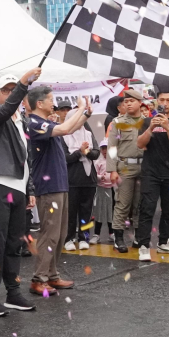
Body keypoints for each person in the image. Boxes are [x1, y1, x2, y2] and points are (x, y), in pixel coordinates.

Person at [0, 70, 42, 318]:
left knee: (14, 244)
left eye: (15, 90)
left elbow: (27, 158)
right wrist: (23, 83)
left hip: (18, 188)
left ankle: (13, 293)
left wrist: (29, 188)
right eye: (7, 90)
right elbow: (5, 109)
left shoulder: (22, 121)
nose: (12, 94)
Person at [26, 86, 91, 287]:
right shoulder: (34, 123)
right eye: (50, 99)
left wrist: (86, 114)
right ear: (39, 103)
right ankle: (39, 279)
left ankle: (52, 275)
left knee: (60, 234)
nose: (53, 103)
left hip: (59, 184)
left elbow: (70, 127)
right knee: (49, 234)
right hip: (48, 186)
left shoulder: (46, 122)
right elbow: (65, 129)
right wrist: (80, 108)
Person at [133, 89, 169, 261]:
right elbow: (140, 144)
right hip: (151, 172)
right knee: (147, 208)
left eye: (168, 100)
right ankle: (143, 245)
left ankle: (164, 242)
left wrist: (167, 127)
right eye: (162, 99)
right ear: (157, 101)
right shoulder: (146, 121)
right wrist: (151, 127)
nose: (165, 103)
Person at [105, 89, 147, 252]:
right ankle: (118, 238)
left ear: (140, 103)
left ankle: (138, 236)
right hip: (125, 167)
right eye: (126, 101)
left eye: (132, 101)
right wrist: (112, 170)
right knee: (122, 203)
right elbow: (112, 147)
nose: (128, 104)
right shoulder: (118, 122)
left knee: (139, 204)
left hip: (144, 167)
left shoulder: (147, 122)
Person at [62, 99, 99, 252]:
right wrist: (79, 152)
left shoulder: (88, 134)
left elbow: (96, 153)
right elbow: (65, 158)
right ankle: (69, 238)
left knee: (87, 211)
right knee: (71, 212)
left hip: (89, 180)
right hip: (71, 180)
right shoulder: (63, 136)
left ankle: (84, 238)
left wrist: (86, 152)